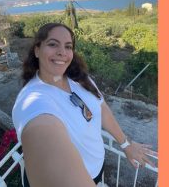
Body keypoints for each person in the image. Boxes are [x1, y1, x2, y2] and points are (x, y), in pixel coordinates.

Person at [11, 23, 157, 187]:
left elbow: (101, 108)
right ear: (37, 50)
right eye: (53, 44)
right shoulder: (32, 100)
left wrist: (125, 144)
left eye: (68, 46)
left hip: (96, 168)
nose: (62, 52)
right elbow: (41, 130)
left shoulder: (80, 79)